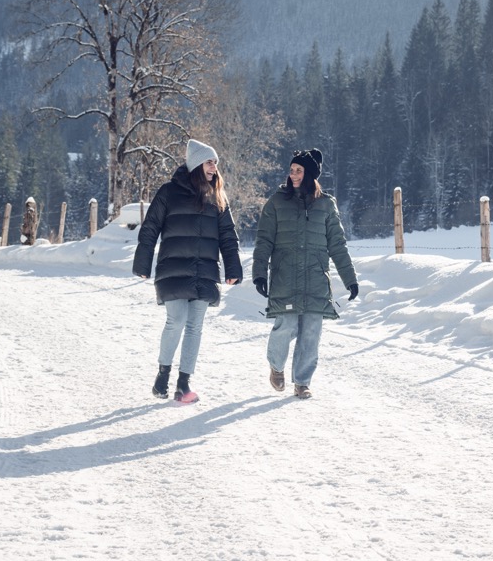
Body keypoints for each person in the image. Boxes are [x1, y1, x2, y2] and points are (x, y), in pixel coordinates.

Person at [133, 139, 242, 404]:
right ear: (195, 164)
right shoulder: (169, 192)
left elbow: (228, 235)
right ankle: (163, 374)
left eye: (215, 162)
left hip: (204, 270)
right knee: (177, 320)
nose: (213, 167)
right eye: (208, 161)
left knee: (195, 326)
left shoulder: (218, 197)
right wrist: (142, 263)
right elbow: (150, 228)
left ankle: (183, 383)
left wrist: (233, 267)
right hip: (174, 268)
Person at [253, 148, 358, 400]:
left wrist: (350, 279)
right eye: (291, 170)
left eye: (298, 171)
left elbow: (337, 245)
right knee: (285, 326)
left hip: (315, 279)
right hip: (284, 277)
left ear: (310, 174)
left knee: (311, 332)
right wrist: (259, 273)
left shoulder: (325, 205)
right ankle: (276, 366)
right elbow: (264, 240)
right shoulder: (277, 202)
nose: (293, 175)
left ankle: (302, 382)